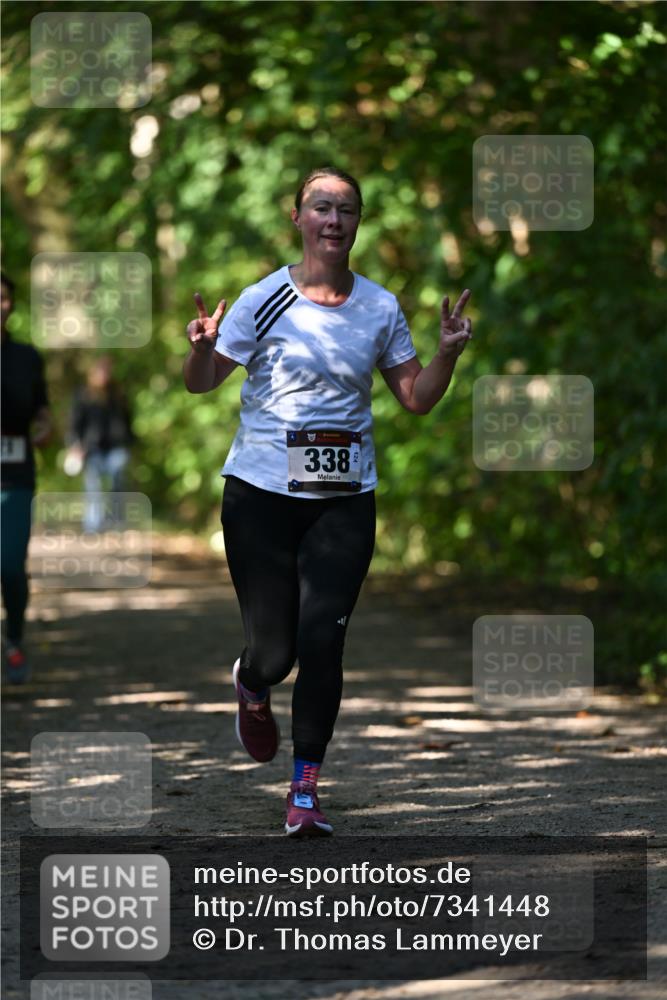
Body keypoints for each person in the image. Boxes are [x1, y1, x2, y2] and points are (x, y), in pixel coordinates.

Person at [183, 167, 472, 837]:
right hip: (259, 495)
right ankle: (251, 685)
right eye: (321, 207)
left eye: (346, 209)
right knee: (275, 653)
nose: (333, 220)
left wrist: (447, 355)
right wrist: (199, 351)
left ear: (357, 222)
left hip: (343, 501)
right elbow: (203, 384)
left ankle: (305, 792)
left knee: (323, 643)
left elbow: (415, 398)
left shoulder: (379, 307)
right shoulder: (263, 299)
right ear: (298, 219)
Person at [1, 271, 52, 683]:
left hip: (15, 473)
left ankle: (14, 639)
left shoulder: (27, 357)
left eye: (3, 297)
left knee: (11, 565)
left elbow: (42, 409)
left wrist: (44, 429)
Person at [65, 356, 134, 532]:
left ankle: (116, 522)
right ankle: (92, 525)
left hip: (116, 447)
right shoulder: (83, 395)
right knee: (93, 486)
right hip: (91, 449)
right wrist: (74, 446)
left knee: (117, 482)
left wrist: (130, 442)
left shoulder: (118, 394)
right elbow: (74, 424)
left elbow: (127, 420)